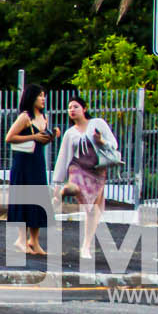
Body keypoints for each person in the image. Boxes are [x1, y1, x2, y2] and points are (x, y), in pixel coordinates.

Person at [51, 95, 118, 260]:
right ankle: (64, 191)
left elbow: (114, 144)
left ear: (84, 109)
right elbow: (63, 157)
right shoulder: (70, 133)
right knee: (74, 188)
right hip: (78, 168)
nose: (72, 110)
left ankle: (86, 246)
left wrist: (101, 141)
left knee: (93, 210)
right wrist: (57, 183)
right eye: (69, 108)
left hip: (97, 171)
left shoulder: (97, 124)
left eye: (75, 107)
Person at [4, 83, 57, 258]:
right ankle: (21, 239)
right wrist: (33, 136)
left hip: (37, 162)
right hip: (23, 162)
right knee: (23, 198)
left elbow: (41, 141)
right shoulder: (25, 117)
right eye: (39, 95)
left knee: (39, 198)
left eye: (44, 95)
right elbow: (9, 137)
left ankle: (34, 240)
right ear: (31, 97)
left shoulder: (44, 117)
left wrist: (51, 137)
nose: (43, 99)